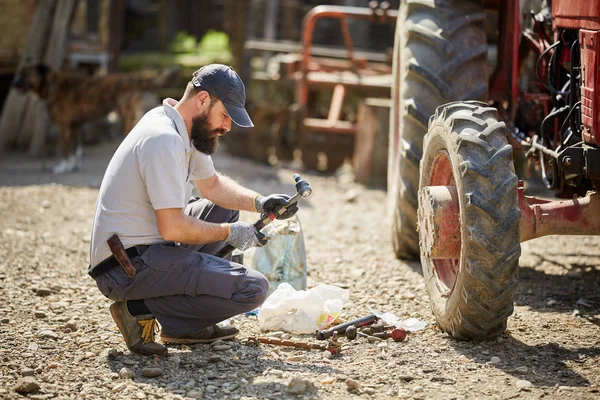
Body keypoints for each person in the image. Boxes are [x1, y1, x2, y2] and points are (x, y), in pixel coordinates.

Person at [88, 64, 299, 356]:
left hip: (146, 250)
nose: (227, 126)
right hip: (124, 268)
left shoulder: (182, 126)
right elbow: (173, 227)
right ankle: (136, 309)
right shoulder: (163, 140)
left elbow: (211, 186)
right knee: (253, 289)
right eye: (225, 115)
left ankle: (182, 328)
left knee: (223, 210)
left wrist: (260, 202)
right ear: (202, 100)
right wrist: (230, 233)